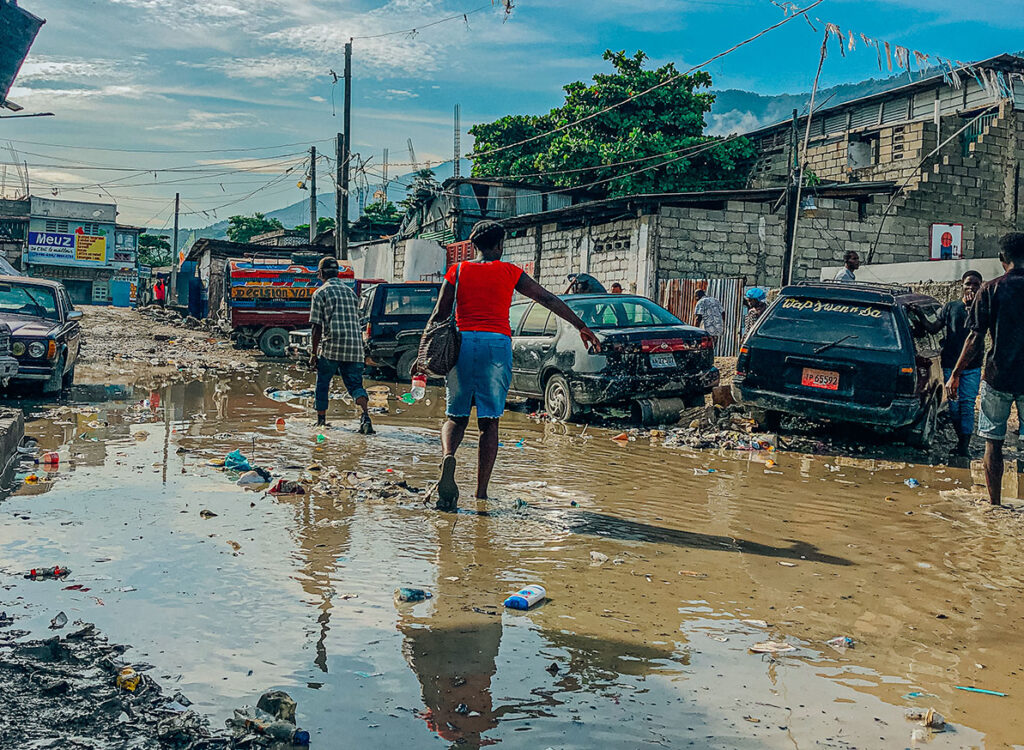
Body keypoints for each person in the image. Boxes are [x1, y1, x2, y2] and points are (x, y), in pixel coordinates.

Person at [429, 220, 600, 511]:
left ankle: (448, 456)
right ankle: (480, 494)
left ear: (473, 246)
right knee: (489, 421)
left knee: (455, 415)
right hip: (496, 345)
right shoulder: (510, 271)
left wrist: (426, 354)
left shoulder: (457, 270)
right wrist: (580, 325)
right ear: (499, 245)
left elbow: (439, 313)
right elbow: (546, 298)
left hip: (462, 343)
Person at [946, 233, 1024, 505]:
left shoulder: (990, 289)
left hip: (997, 376)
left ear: (1002, 259)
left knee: (994, 443)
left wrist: (955, 373)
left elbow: (974, 337)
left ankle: (995, 504)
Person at [308, 256, 374, 434]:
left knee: (323, 383)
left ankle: (321, 422)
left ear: (321, 273)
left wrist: (313, 354)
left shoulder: (320, 293)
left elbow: (316, 326)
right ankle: (365, 416)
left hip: (332, 347)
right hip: (355, 348)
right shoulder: (351, 294)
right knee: (355, 385)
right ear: (337, 273)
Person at [939, 270, 984, 456]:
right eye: (968, 284)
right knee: (954, 406)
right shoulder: (951, 307)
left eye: (975, 284)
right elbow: (935, 326)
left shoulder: (982, 309)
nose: (971, 288)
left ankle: (964, 446)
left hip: (972, 367)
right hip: (950, 364)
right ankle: (960, 440)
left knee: (967, 405)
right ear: (961, 285)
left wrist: (973, 307)